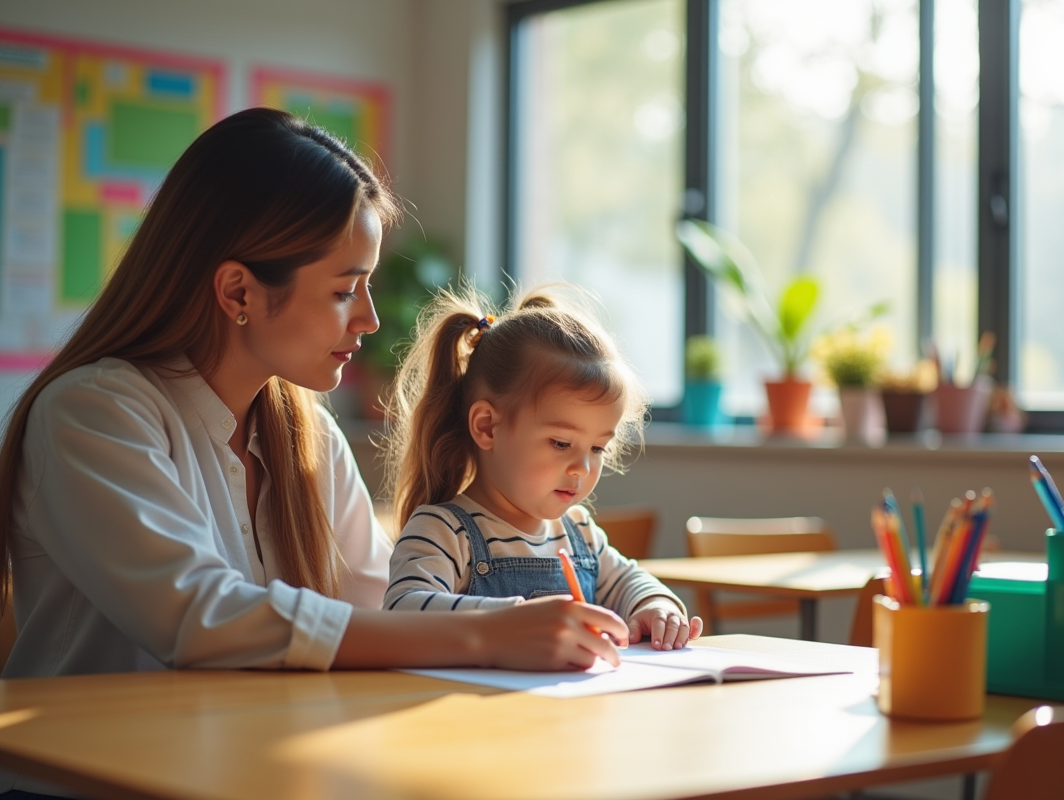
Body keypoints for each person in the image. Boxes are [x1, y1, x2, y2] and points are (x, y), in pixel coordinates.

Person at [0, 109, 628, 687]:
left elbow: (380, 608)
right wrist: (489, 632)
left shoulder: (309, 436)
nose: (370, 320)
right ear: (239, 293)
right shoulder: (93, 413)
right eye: (343, 290)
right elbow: (197, 616)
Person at [383, 287, 703, 651]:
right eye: (561, 444)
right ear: (487, 426)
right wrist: (514, 622)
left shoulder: (580, 533)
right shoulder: (441, 531)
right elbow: (401, 613)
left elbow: (632, 581)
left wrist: (656, 606)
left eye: (598, 448)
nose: (582, 467)